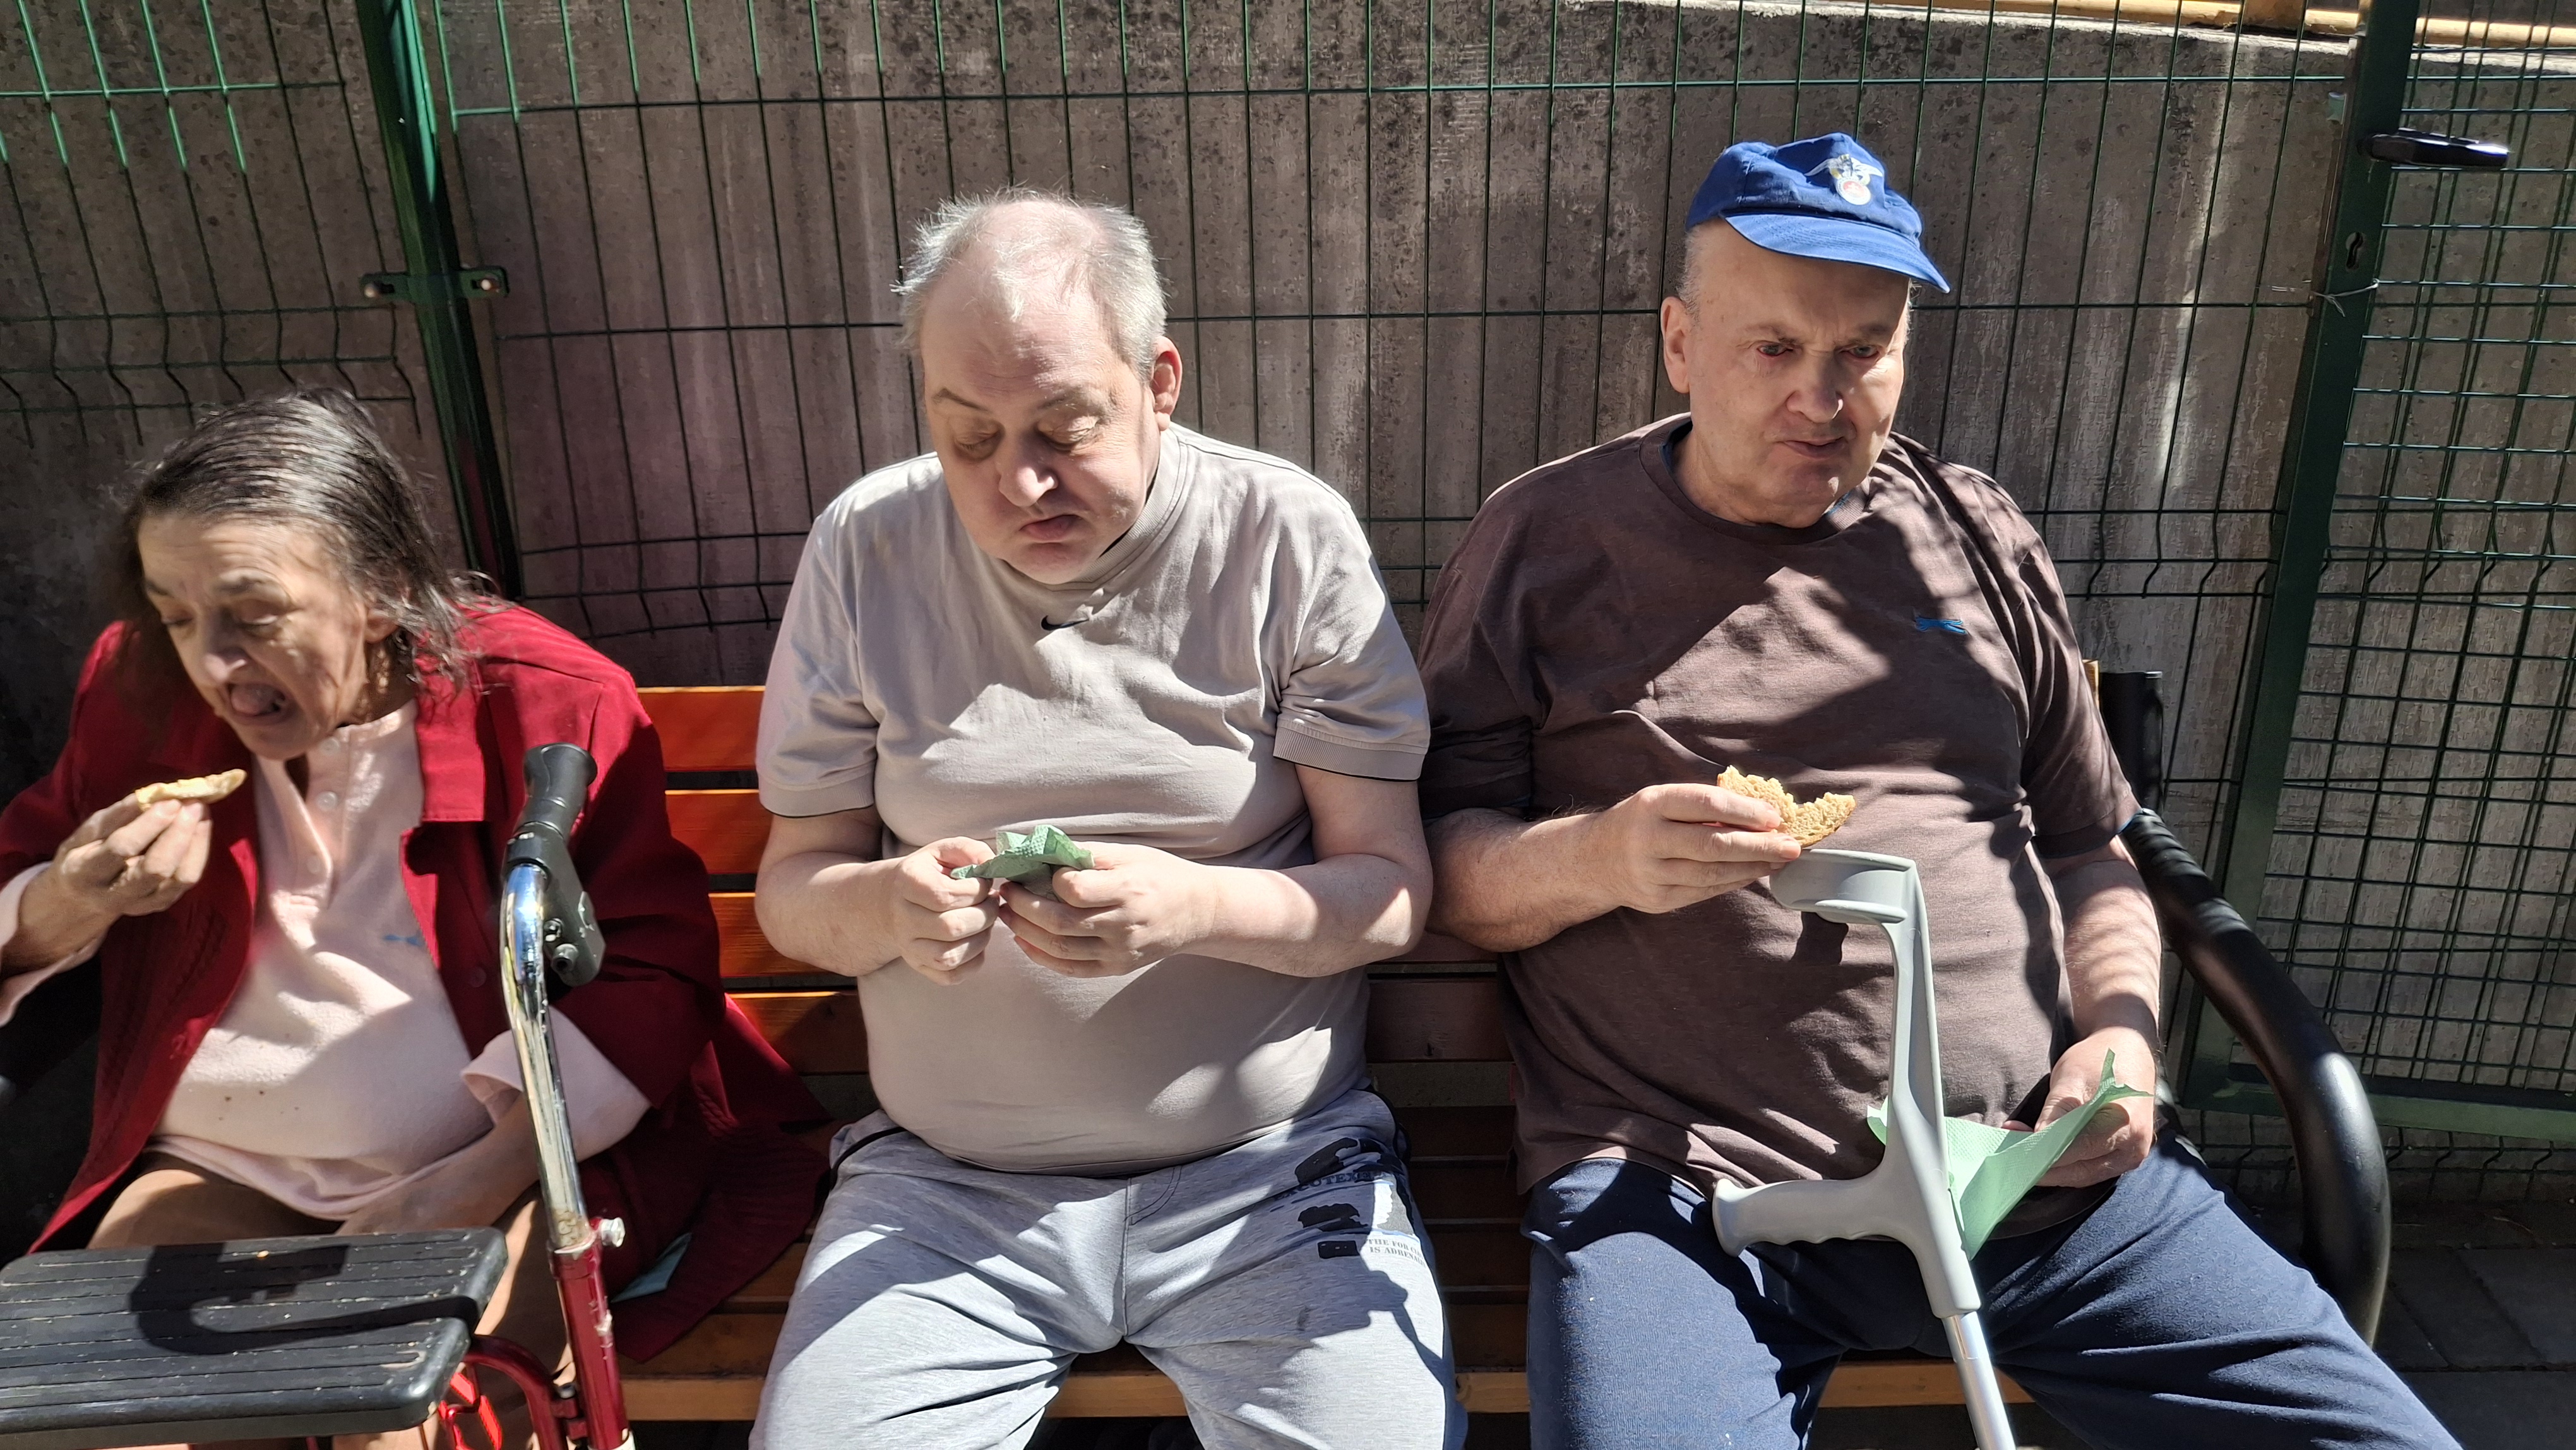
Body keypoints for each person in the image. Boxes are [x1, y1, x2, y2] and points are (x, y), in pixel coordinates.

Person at [1416, 135, 2457, 1450]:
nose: (1821, 396)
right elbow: (1445, 869)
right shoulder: (1545, 542)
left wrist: (2124, 1039)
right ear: (1680, 343)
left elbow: (2092, 841)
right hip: (1691, 1193)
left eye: (1864, 350)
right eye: (1773, 347)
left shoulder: (1971, 529)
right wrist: (1602, 859)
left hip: (2031, 1175)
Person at [749, 189, 1461, 1450]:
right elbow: (795, 888)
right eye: (968, 437)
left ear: (1158, 382)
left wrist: (1196, 907)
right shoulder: (865, 548)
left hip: (1272, 1177)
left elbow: (1390, 893)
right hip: (941, 1196)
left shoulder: (1285, 536)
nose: (1020, 481)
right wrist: (885, 907)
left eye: (1064, 426)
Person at [0, 390, 824, 1447]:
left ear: (382, 593)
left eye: (255, 617)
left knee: (401, 1421)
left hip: (510, 1165)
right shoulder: (140, 688)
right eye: (177, 615)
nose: (210, 663)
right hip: (220, 1169)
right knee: (110, 1423)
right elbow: (28, 880)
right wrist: (72, 896)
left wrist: (479, 1179)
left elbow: (655, 973)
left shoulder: (544, 699)